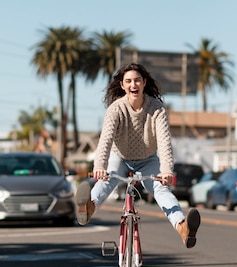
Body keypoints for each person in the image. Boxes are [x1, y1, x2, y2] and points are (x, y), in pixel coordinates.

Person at [75, 62, 201, 248]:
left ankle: (183, 228)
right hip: (120, 157)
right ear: (122, 85)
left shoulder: (157, 108)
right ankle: (87, 208)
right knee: (106, 180)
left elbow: (165, 142)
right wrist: (99, 167)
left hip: (147, 159)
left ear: (144, 82)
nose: (133, 85)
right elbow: (105, 141)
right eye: (128, 81)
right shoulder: (115, 109)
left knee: (160, 189)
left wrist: (166, 171)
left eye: (137, 80)